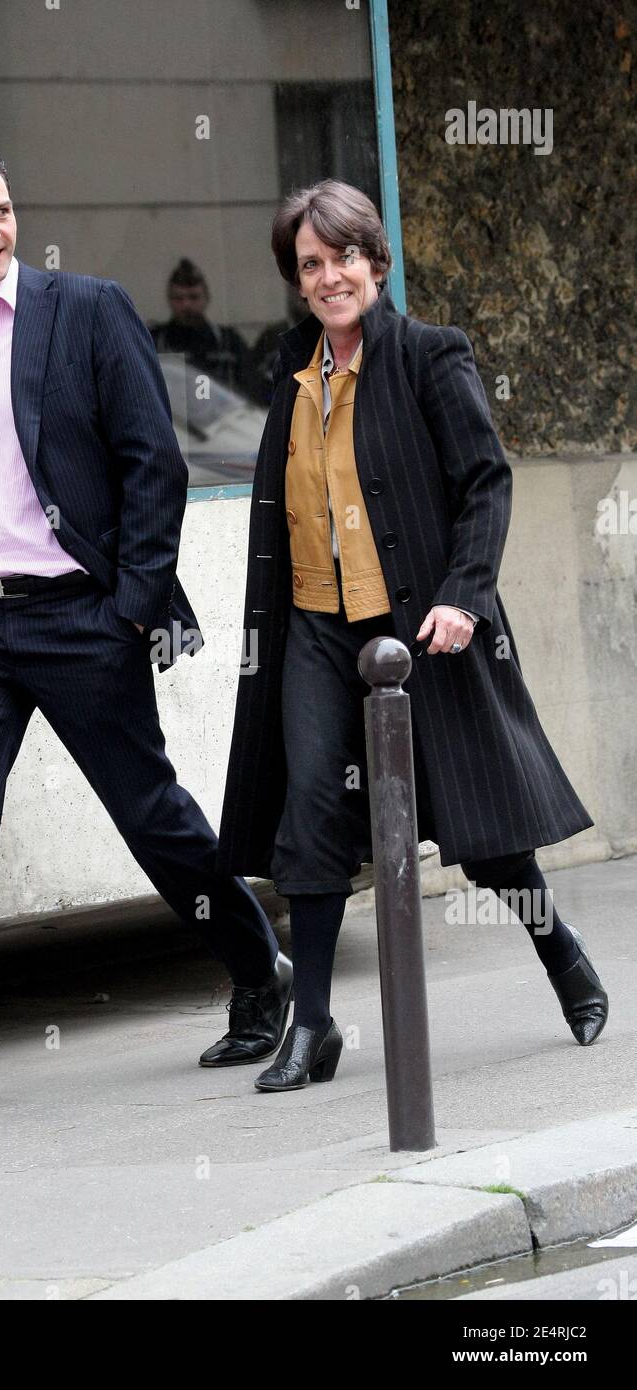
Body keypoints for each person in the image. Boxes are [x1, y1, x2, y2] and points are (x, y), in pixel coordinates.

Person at [0, 138, 292, 1126]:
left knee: (151, 815)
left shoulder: (82, 311)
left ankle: (258, 967)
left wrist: (132, 601)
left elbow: (151, 462)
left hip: (78, 616)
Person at [217, 179, 608, 1093]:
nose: (328, 277)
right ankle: (311, 1027)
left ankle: (563, 958)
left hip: (422, 626)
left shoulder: (431, 355)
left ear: (376, 262)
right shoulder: (294, 370)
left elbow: (485, 481)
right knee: (310, 809)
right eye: (309, 265)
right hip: (315, 628)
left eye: (343, 256)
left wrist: (463, 596)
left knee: (481, 825)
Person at [150, 258, 253, 398]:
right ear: (169, 300)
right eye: (178, 298)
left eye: (193, 297)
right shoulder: (153, 341)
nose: (186, 305)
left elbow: (249, 391)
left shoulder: (229, 342)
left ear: (206, 298)